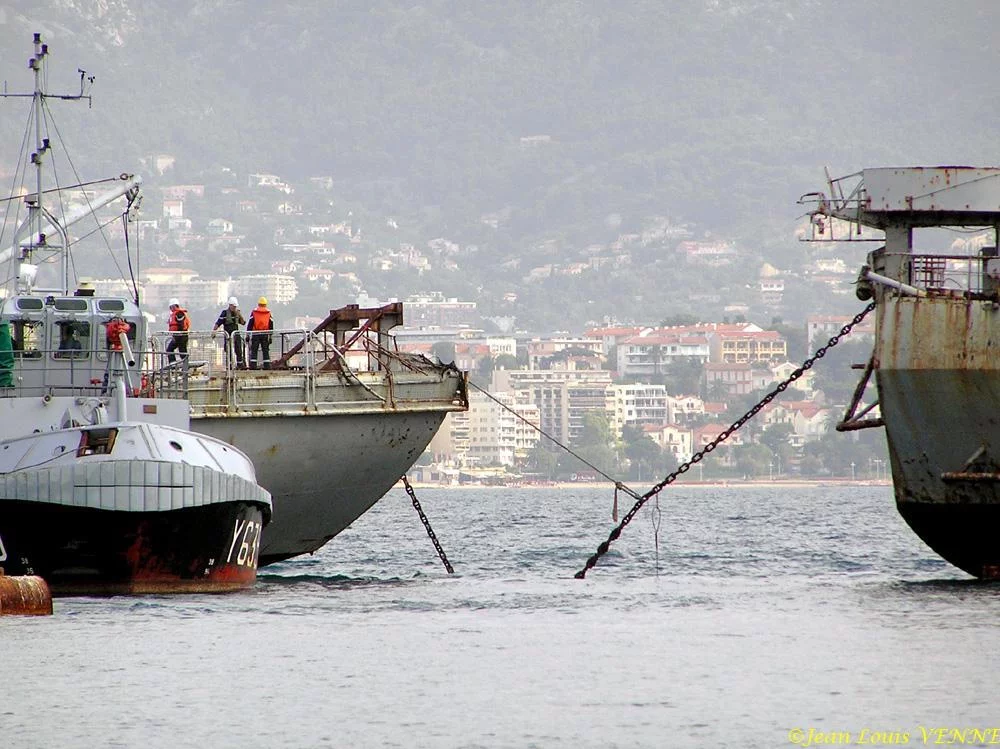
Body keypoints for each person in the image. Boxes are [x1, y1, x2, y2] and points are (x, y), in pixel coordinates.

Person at [212, 296, 246, 369]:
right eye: (233, 306)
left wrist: (240, 315)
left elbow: (243, 323)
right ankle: (229, 366)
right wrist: (214, 331)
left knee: (239, 350)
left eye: (235, 306)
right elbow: (218, 323)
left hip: (236, 334)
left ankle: (240, 365)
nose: (234, 308)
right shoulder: (224, 313)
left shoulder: (237, 313)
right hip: (228, 335)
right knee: (228, 350)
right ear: (230, 305)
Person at [247, 296, 273, 370]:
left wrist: (248, 335)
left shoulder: (254, 312)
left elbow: (250, 324)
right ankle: (267, 366)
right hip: (265, 333)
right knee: (265, 350)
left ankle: (253, 366)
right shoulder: (268, 313)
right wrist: (270, 336)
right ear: (265, 304)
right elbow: (271, 324)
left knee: (254, 350)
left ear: (258, 304)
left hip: (256, 333)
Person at [165, 297, 190, 364]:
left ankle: (185, 366)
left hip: (181, 336)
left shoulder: (179, 314)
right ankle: (173, 364)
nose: (170, 309)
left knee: (182, 352)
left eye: (171, 307)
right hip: (177, 336)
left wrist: (177, 335)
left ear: (174, 306)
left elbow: (182, 326)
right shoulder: (175, 314)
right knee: (170, 349)